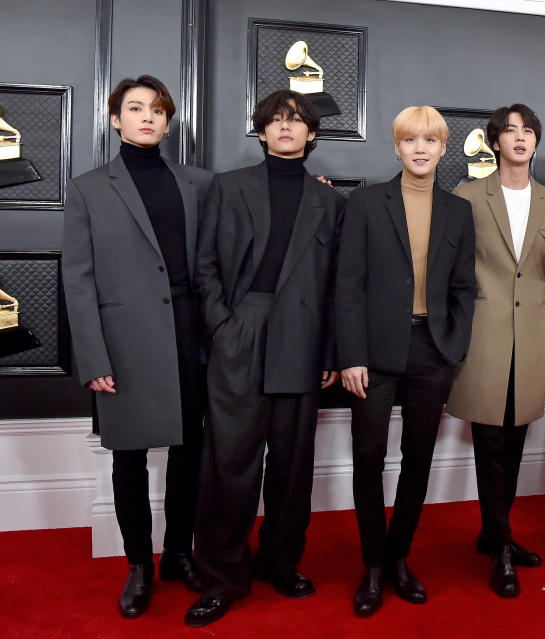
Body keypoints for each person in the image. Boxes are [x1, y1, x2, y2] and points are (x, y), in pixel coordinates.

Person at [185, 89, 344, 626]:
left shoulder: (330, 201)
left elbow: (335, 286)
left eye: (296, 121)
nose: (285, 128)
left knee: (293, 467)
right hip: (241, 329)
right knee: (229, 464)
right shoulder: (228, 187)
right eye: (276, 120)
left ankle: (281, 564)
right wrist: (224, 327)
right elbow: (203, 265)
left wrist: (328, 350)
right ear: (261, 131)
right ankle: (222, 577)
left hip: (303, 335)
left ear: (312, 134)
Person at [61, 75, 213, 618]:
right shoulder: (87, 188)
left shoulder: (199, 183)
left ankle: (176, 555)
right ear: (115, 119)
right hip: (122, 345)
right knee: (128, 459)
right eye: (135, 108)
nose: (147, 116)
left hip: (191, 340)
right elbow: (76, 280)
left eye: (157, 109)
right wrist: (93, 360)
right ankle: (139, 565)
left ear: (169, 121)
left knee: (189, 453)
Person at [337, 106, 476, 617]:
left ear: (443, 149)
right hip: (372, 354)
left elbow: (464, 286)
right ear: (396, 148)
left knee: (418, 460)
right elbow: (347, 285)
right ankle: (373, 564)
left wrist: (453, 346)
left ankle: (399, 558)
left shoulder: (458, 211)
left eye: (430, 140)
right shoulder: (367, 203)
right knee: (369, 459)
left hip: (431, 352)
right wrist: (350, 355)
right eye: (410, 140)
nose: (420, 148)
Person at [447, 104, 545, 597]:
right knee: (489, 443)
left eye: (528, 131)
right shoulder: (465, 197)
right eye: (510, 131)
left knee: (515, 439)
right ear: (495, 142)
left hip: (532, 337)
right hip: (482, 335)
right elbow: (453, 272)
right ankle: (502, 545)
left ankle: (493, 534)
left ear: (536, 142)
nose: (520, 138)